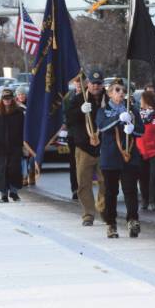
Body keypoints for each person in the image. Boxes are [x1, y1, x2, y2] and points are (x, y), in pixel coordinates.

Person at [95, 78, 145, 238]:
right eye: (117, 90)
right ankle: (111, 224)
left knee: (130, 190)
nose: (121, 93)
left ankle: (132, 220)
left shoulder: (132, 110)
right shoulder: (103, 111)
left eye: (123, 91)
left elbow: (141, 131)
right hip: (110, 157)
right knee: (111, 192)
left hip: (129, 156)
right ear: (110, 94)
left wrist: (132, 128)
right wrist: (118, 118)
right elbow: (102, 126)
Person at [64, 69, 105, 226]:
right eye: (93, 83)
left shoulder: (107, 99)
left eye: (98, 84)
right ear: (87, 83)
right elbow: (69, 119)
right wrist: (80, 111)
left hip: (103, 147)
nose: (95, 86)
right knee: (83, 183)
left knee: (106, 182)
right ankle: (88, 213)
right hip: (83, 148)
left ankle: (102, 208)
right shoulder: (78, 99)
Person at [0, 87, 26, 203]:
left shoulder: (18, 112)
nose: (7, 101)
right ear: (1, 99)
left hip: (15, 146)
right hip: (0, 146)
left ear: (12, 99)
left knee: (14, 170)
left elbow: (23, 129)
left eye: (9, 98)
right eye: (5, 99)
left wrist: (24, 145)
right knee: (1, 171)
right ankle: (3, 195)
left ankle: (14, 192)